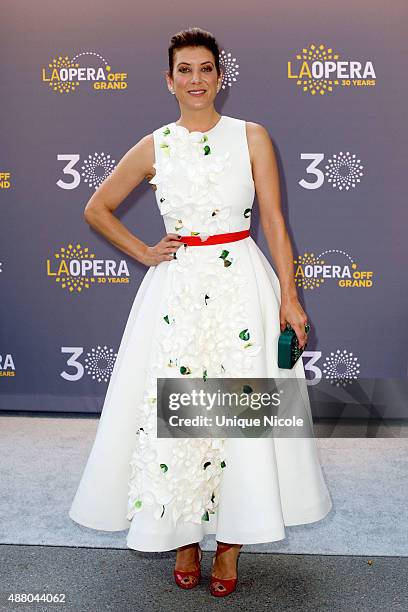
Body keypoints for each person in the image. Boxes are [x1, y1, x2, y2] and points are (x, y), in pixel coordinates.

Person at [69, 27, 333, 597]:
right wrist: (143, 252)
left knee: (241, 410)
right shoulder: (155, 144)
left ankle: (231, 543)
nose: (196, 79)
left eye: (205, 68)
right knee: (178, 412)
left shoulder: (252, 137)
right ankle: (186, 538)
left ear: (220, 76)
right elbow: (97, 207)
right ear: (169, 80)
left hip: (242, 280)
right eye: (184, 70)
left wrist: (291, 296)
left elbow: (277, 223)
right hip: (179, 289)